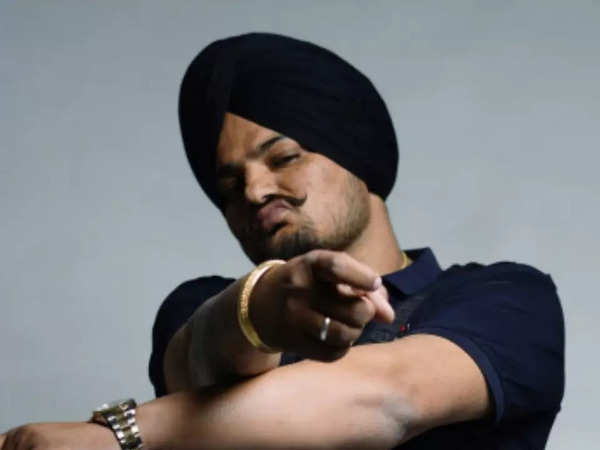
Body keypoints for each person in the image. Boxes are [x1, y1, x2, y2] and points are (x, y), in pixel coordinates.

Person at [0, 32, 564, 450]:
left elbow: (390, 398)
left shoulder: (507, 299)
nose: (254, 190)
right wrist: (261, 307)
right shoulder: (196, 304)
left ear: (354, 153)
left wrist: (117, 436)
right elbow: (200, 359)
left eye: (284, 157)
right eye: (229, 187)